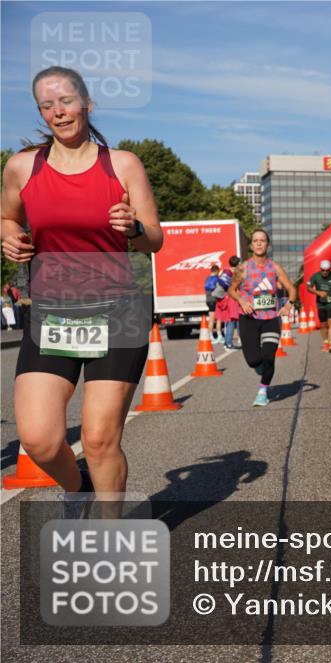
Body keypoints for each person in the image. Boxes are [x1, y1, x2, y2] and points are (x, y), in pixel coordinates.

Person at [1, 66, 163, 500]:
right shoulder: (21, 167)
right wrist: (9, 238)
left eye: (66, 101)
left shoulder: (123, 164)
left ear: (87, 103)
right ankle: (80, 490)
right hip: (54, 310)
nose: (58, 111)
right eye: (47, 105)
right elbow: (8, 217)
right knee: (39, 440)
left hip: (119, 310)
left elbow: (155, 239)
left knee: (98, 439)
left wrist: (132, 228)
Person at [228, 229, 296, 406]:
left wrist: (289, 304)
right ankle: (259, 367)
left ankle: (262, 391)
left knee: (268, 356)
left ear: (268, 245)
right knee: (253, 360)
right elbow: (231, 290)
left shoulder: (275, 268)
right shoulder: (243, 268)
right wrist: (241, 300)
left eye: (262, 240)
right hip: (248, 318)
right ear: (251, 245)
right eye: (255, 240)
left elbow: (291, 288)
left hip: (271, 318)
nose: (259, 243)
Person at [306, 258, 331, 352]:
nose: (325, 272)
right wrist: (318, 292)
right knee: (323, 325)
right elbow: (308, 287)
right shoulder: (316, 276)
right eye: (323, 270)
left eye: (327, 270)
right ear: (320, 269)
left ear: (330, 269)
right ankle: (326, 342)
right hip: (321, 304)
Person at [217, 255, 242, 349]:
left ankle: (228, 342)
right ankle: (230, 342)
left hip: (228, 298)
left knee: (230, 321)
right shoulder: (236, 273)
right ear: (237, 264)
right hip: (235, 298)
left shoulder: (225, 271)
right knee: (236, 320)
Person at [204, 264, 225, 344]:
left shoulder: (207, 278)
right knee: (219, 319)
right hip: (215, 300)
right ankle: (219, 335)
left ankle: (210, 336)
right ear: (216, 271)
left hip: (208, 300)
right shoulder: (217, 278)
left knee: (211, 320)